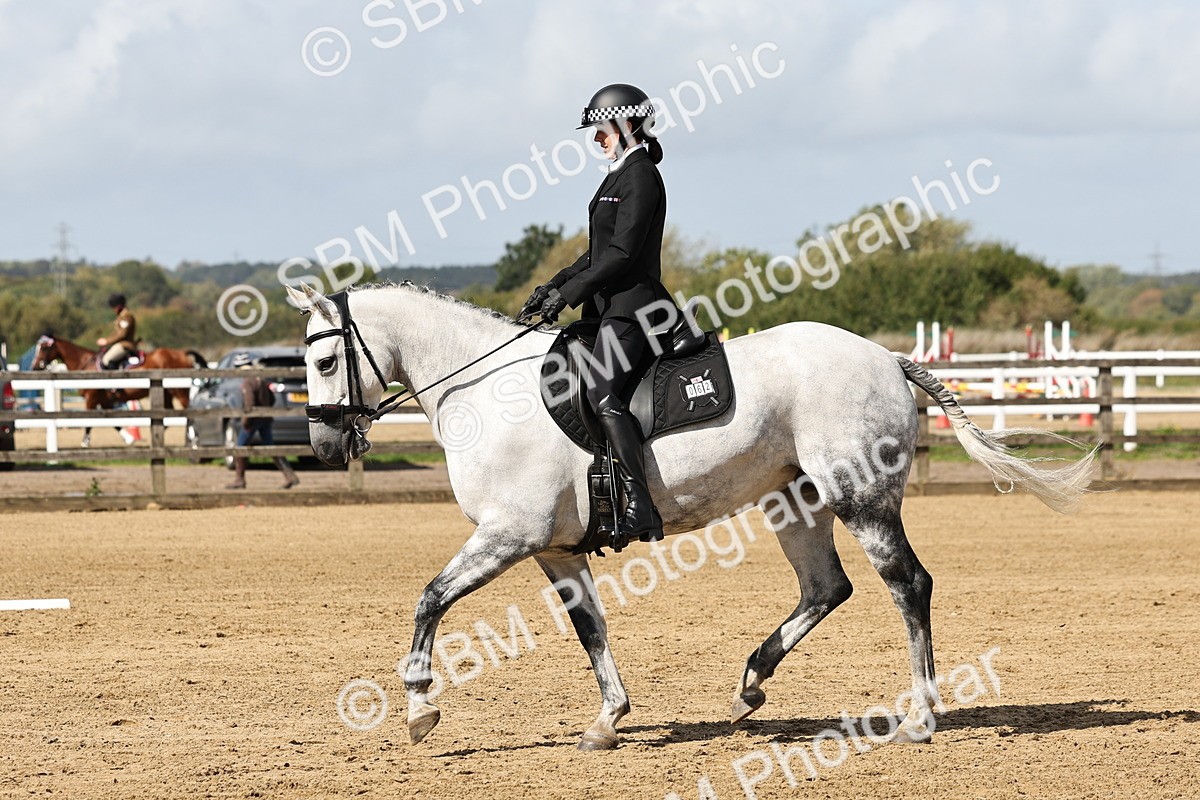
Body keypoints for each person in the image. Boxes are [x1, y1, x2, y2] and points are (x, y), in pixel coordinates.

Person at [520, 83, 673, 546]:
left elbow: (623, 254)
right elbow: (596, 253)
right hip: (607, 305)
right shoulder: (618, 175)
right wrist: (555, 285)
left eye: (601, 129)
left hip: (636, 307)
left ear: (627, 125)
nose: (595, 139)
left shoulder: (641, 175)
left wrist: (569, 296)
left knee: (602, 389)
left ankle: (639, 505)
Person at [226, 353, 300, 490]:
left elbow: (249, 403)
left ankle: (239, 479)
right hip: (265, 419)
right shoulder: (261, 378)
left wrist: (247, 421)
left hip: (253, 420)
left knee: (240, 447)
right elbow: (271, 399)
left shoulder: (247, 381)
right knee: (270, 448)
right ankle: (289, 475)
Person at [96, 293, 137, 369]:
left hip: (125, 345)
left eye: (113, 308)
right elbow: (116, 333)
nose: (113, 310)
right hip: (119, 345)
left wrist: (106, 341)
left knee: (106, 360)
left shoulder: (126, 316)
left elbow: (122, 334)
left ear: (118, 307)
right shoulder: (121, 316)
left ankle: (115, 379)